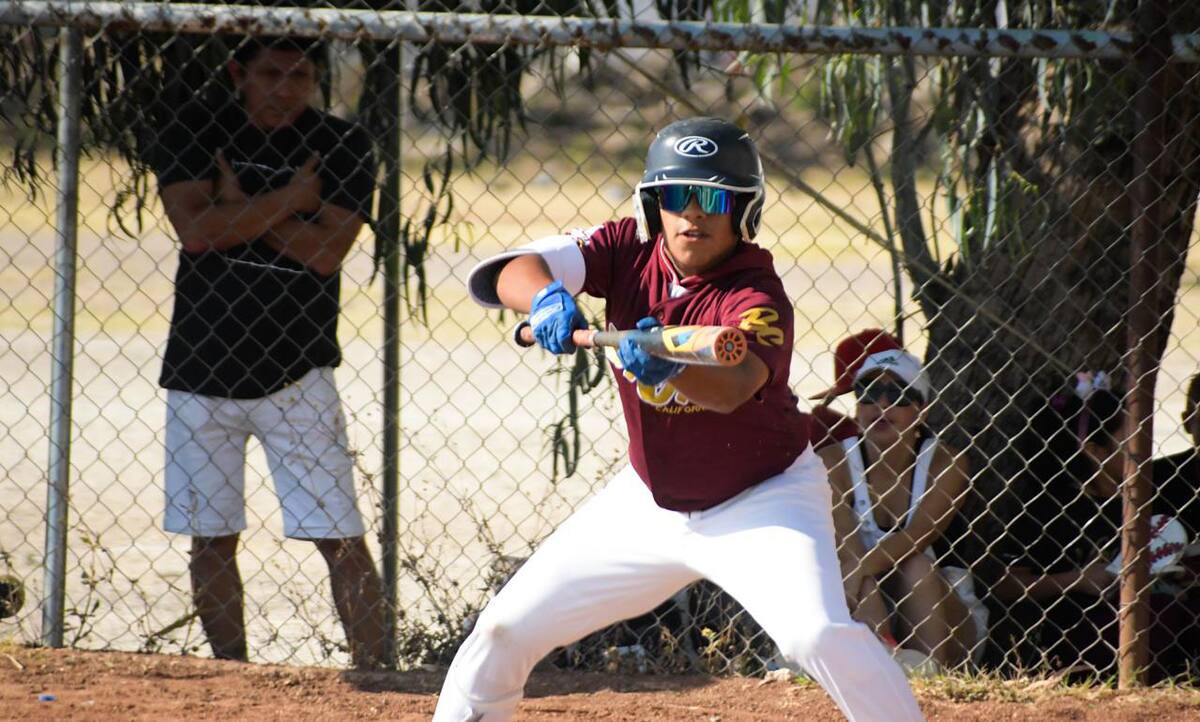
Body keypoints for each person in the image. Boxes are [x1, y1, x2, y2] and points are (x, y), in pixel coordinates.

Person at [447, 117, 923, 721]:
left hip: (762, 501)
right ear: (655, 204)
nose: (692, 214)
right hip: (647, 504)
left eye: (713, 198)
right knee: (502, 631)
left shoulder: (755, 291)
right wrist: (546, 296)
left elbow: (736, 383)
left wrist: (669, 371)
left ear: (741, 211)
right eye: (676, 196)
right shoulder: (624, 249)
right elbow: (508, 270)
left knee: (816, 635)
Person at [147, 35, 385, 667]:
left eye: (300, 75)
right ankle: (232, 673)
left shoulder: (341, 144)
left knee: (339, 534)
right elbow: (196, 232)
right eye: (271, 73)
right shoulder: (196, 129)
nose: (285, 89)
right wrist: (292, 203)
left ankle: (380, 667)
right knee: (210, 536)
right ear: (238, 72)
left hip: (297, 369)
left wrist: (238, 207)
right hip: (202, 366)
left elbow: (327, 252)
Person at [988, 374, 1196, 680]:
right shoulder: (1054, 508)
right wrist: (1079, 580)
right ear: (1095, 450)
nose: (1145, 447)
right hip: (1079, 632)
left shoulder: (1158, 490)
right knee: (1157, 613)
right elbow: (1005, 585)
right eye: (1132, 440)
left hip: (1163, 619)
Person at [811, 330, 983, 670]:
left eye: (900, 395)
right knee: (852, 572)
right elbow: (849, 548)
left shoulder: (945, 463)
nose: (883, 405)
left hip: (941, 610)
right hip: (862, 592)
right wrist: (861, 581)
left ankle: (931, 679)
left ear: (921, 410)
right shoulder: (832, 461)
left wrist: (856, 574)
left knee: (915, 565)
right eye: (869, 393)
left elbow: (914, 537)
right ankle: (880, 663)